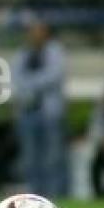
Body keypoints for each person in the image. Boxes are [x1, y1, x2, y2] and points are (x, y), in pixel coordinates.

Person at [11, 19, 67, 197]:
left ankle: (55, 196)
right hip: (28, 112)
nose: (35, 35)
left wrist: (30, 82)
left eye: (39, 31)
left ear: (46, 33)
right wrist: (31, 83)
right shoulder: (23, 54)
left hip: (49, 113)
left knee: (53, 157)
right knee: (30, 158)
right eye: (32, 31)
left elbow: (54, 76)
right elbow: (15, 79)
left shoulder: (55, 51)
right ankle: (35, 196)